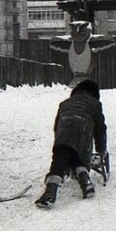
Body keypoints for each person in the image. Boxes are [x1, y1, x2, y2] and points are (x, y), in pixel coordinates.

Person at [34, 79, 108, 209]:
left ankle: (50, 191)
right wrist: (101, 149)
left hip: (64, 130)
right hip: (82, 129)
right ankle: (85, 180)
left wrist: (60, 142)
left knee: (60, 159)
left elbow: (56, 125)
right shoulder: (95, 104)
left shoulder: (65, 103)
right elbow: (100, 129)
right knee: (77, 154)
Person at [48, 20, 115, 89]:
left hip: (86, 74)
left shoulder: (91, 43)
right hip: (76, 74)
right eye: (74, 33)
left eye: (82, 33)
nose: (78, 36)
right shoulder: (70, 44)